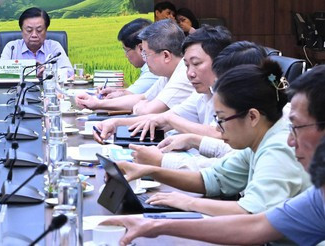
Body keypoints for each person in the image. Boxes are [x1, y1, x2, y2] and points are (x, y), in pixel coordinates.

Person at [104, 65, 325, 246]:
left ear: (252, 117)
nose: (290, 140)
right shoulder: (318, 196)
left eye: (296, 127)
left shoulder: (278, 147)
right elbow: (219, 185)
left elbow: (249, 217)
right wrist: (155, 220)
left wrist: (187, 205)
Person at [93, 26, 233, 156]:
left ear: (219, 62)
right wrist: (115, 123)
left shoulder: (232, 91)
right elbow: (160, 118)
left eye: (196, 64)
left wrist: (170, 120)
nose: (190, 73)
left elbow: (221, 134)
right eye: (187, 65)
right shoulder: (202, 90)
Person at [150, 41, 267, 169]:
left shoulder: (272, 144)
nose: (218, 129)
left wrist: (162, 161)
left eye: (221, 119)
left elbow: (223, 171)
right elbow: (229, 155)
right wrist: (192, 140)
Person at [76, 20, 193, 115]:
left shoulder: (183, 75)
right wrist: (96, 103)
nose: (145, 59)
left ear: (166, 55)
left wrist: (140, 107)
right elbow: (141, 98)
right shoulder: (168, 74)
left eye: (146, 54)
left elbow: (147, 111)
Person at [97, 18, 157, 99]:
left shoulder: (154, 71)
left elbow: (130, 97)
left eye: (126, 50)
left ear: (141, 48)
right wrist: (116, 92)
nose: (126, 55)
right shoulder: (151, 67)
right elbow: (135, 94)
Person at [0, 7, 73, 71]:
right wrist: (27, 71)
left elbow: (69, 71)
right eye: (29, 30)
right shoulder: (12, 48)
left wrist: (47, 71)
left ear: (46, 30)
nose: (34, 35)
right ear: (21, 30)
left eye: (39, 30)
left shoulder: (54, 46)